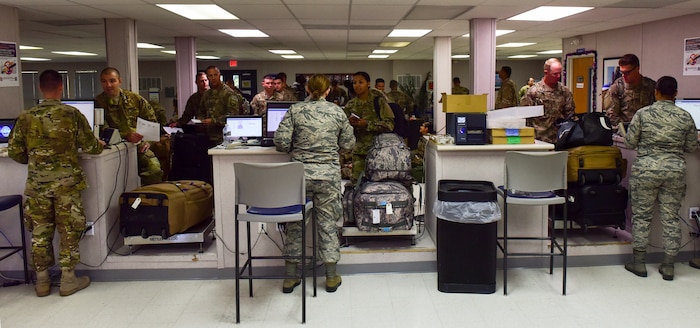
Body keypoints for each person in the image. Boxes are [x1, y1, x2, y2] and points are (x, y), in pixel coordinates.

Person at [8, 69, 105, 297]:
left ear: (40, 88)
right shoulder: (71, 114)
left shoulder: (25, 117)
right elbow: (91, 147)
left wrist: (34, 161)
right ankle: (68, 279)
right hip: (66, 185)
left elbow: (15, 152)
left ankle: (41, 281)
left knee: (40, 232)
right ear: (61, 87)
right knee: (69, 230)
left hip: (37, 186)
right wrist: (99, 144)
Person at [274, 74, 355, 293]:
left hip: (299, 176)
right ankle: (330, 277)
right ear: (328, 91)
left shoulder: (296, 110)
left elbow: (281, 143)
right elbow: (348, 143)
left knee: (295, 225)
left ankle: (290, 278)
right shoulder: (337, 112)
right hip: (327, 177)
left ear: (308, 89)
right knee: (327, 225)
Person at [623, 76, 698, 281]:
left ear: (656, 91)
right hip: (674, 172)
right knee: (671, 217)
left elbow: (630, 143)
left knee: (642, 216)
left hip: (646, 171)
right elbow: (692, 146)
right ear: (675, 93)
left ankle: (639, 263)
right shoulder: (685, 116)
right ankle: (668, 266)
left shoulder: (643, 114)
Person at [95, 67, 163, 185]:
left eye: (112, 81)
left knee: (154, 170)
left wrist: (148, 141)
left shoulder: (134, 99)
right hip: (114, 148)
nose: (108, 85)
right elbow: (102, 129)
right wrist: (126, 136)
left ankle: (149, 200)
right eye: (104, 81)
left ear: (119, 81)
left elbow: (152, 122)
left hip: (138, 145)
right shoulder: (98, 102)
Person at [343, 71, 394, 184]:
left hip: (378, 150)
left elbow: (390, 125)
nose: (357, 85)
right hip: (359, 152)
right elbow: (343, 129)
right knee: (356, 183)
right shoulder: (350, 105)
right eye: (355, 82)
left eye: (361, 82)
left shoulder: (378, 101)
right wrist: (350, 124)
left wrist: (367, 124)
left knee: (379, 183)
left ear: (368, 83)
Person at [520, 58, 575, 144]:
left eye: (559, 73)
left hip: (559, 139)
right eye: (555, 74)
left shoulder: (564, 91)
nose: (558, 76)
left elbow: (569, 115)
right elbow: (524, 116)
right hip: (539, 140)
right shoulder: (533, 92)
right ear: (546, 72)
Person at [604, 54, 656, 126]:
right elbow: (612, 115)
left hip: (646, 130)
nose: (623, 76)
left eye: (627, 73)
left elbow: (658, 111)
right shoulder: (617, 87)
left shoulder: (650, 86)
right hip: (624, 131)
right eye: (622, 72)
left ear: (637, 69)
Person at [198, 65, 242, 147]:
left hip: (223, 137)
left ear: (219, 75)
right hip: (208, 136)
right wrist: (201, 120)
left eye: (215, 75)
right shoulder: (207, 94)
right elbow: (201, 111)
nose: (213, 78)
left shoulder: (229, 93)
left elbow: (233, 116)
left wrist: (213, 121)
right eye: (210, 76)